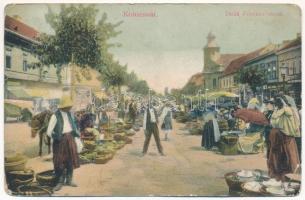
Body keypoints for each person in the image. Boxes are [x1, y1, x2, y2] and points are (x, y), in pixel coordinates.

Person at [46, 96, 80, 191]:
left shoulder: (69, 114)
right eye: (68, 106)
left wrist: (76, 136)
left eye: (70, 106)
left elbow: (73, 126)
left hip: (70, 139)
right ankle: (59, 182)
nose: (70, 108)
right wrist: (57, 137)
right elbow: (49, 132)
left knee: (70, 160)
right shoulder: (55, 116)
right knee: (59, 161)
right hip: (60, 141)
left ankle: (69, 180)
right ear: (63, 107)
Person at [268, 97, 300, 180]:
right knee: (278, 154)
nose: (276, 105)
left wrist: (276, 111)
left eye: (277, 104)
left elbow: (277, 118)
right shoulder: (281, 110)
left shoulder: (287, 110)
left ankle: (289, 174)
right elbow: (273, 122)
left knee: (287, 154)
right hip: (279, 135)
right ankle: (278, 172)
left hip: (286, 136)